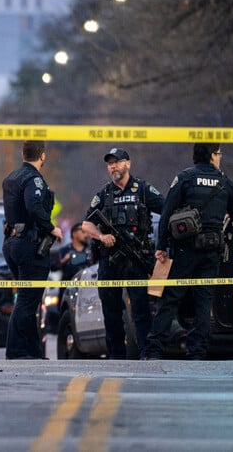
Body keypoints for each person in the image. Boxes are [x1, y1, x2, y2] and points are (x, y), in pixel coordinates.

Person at [141, 143, 233, 360]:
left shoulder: (185, 177)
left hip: (185, 250)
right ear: (213, 155)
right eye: (219, 153)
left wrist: (161, 247)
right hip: (212, 250)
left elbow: (167, 212)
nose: (220, 157)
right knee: (203, 301)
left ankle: (154, 350)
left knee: (170, 299)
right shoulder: (224, 181)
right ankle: (197, 352)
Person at [82, 147, 165, 359]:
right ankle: (116, 356)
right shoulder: (103, 194)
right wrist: (101, 237)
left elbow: (166, 209)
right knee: (111, 310)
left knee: (140, 309)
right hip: (110, 260)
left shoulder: (143, 189)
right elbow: (86, 224)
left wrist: (163, 245)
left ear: (128, 164)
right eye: (110, 163)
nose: (113, 166)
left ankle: (147, 353)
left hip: (136, 259)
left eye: (117, 162)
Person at [1, 140, 62, 359]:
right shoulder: (33, 179)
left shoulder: (11, 178)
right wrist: (52, 228)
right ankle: (17, 351)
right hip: (29, 245)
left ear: (23, 153)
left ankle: (32, 351)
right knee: (28, 301)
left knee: (28, 301)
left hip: (12, 243)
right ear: (42, 156)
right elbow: (34, 207)